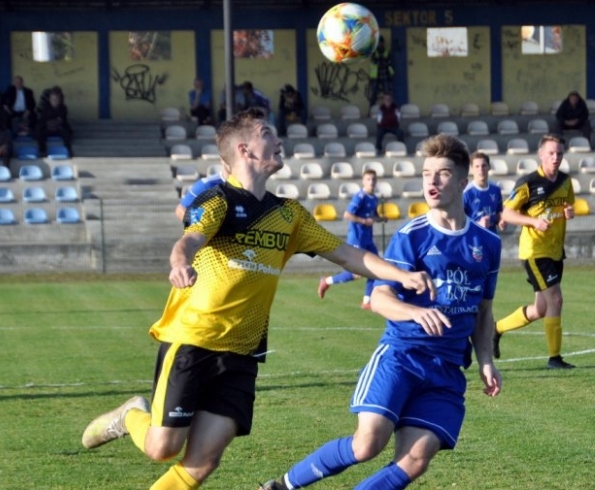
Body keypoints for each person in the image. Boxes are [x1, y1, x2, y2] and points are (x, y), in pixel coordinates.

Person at [80, 108, 435, 490]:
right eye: (268, 132)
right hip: (194, 340)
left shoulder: (289, 215)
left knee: (203, 462)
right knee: (162, 448)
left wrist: (402, 274)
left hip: (243, 353)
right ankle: (132, 414)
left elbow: (348, 254)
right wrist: (180, 262)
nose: (279, 139)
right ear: (246, 150)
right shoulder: (218, 202)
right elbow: (190, 240)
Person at [260, 133, 502, 490]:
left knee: (415, 458)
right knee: (367, 443)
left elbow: (483, 312)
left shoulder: (488, 244)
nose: (432, 181)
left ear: (464, 182)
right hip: (402, 356)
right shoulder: (412, 236)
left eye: (443, 173)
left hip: (447, 368)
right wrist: (415, 313)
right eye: (425, 173)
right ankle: (281, 486)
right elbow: (380, 299)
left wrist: (485, 360)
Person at [493, 134, 576, 370]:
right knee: (556, 299)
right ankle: (554, 358)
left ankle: (496, 329)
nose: (555, 157)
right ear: (541, 155)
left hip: (555, 251)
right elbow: (506, 213)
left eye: (559, 153)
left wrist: (569, 212)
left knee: (540, 309)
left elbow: (567, 207)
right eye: (551, 153)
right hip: (534, 251)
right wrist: (532, 222)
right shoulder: (528, 182)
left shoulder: (566, 182)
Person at [317, 168, 388, 309]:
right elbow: (347, 215)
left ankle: (367, 301)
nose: (371, 182)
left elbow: (372, 216)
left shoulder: (373, 198)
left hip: (368, 239)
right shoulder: (359, 197)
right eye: (368, 179)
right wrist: (363, 221)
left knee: (376, 268)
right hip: (357, 239)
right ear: (363, 181)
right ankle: (327, 281)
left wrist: (381, 218)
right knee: (356, 274)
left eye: (373, 179)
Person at [463, 151, 505, 231]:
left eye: (484, 166)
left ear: (489, 167)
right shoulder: (466, 193)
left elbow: (499, 213)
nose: (481, 169)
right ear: (471, 169)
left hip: (491, 238)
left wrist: (501, 222)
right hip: (474, 240)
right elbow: (458, 222)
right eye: (477, 166)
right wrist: (478, 224)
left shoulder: (496, 189)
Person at [36, 90, 73, 157]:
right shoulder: (45, 107)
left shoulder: (63, 107)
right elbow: (44, 119)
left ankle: (68, 150)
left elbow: (62, 119)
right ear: (49, 99)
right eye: (52, 99)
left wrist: (54, 119)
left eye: (56, 99)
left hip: (58, 128)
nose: (54, 101)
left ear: (59, 99)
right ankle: (42, 151)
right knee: (39, 131)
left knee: (67, 131)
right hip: (48, 128)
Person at [368, 35, 394, 107]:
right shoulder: (374, 52)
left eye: (381, 43)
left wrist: (381, 62)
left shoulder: (386, 52)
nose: (380, 44)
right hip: (376, 76)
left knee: (387, 94)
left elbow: (388, 62)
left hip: (385, 76)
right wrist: (383, 62)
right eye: (379, 43)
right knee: (374, 94)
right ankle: (371, 110)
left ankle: (389, 109)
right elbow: (374, 62)